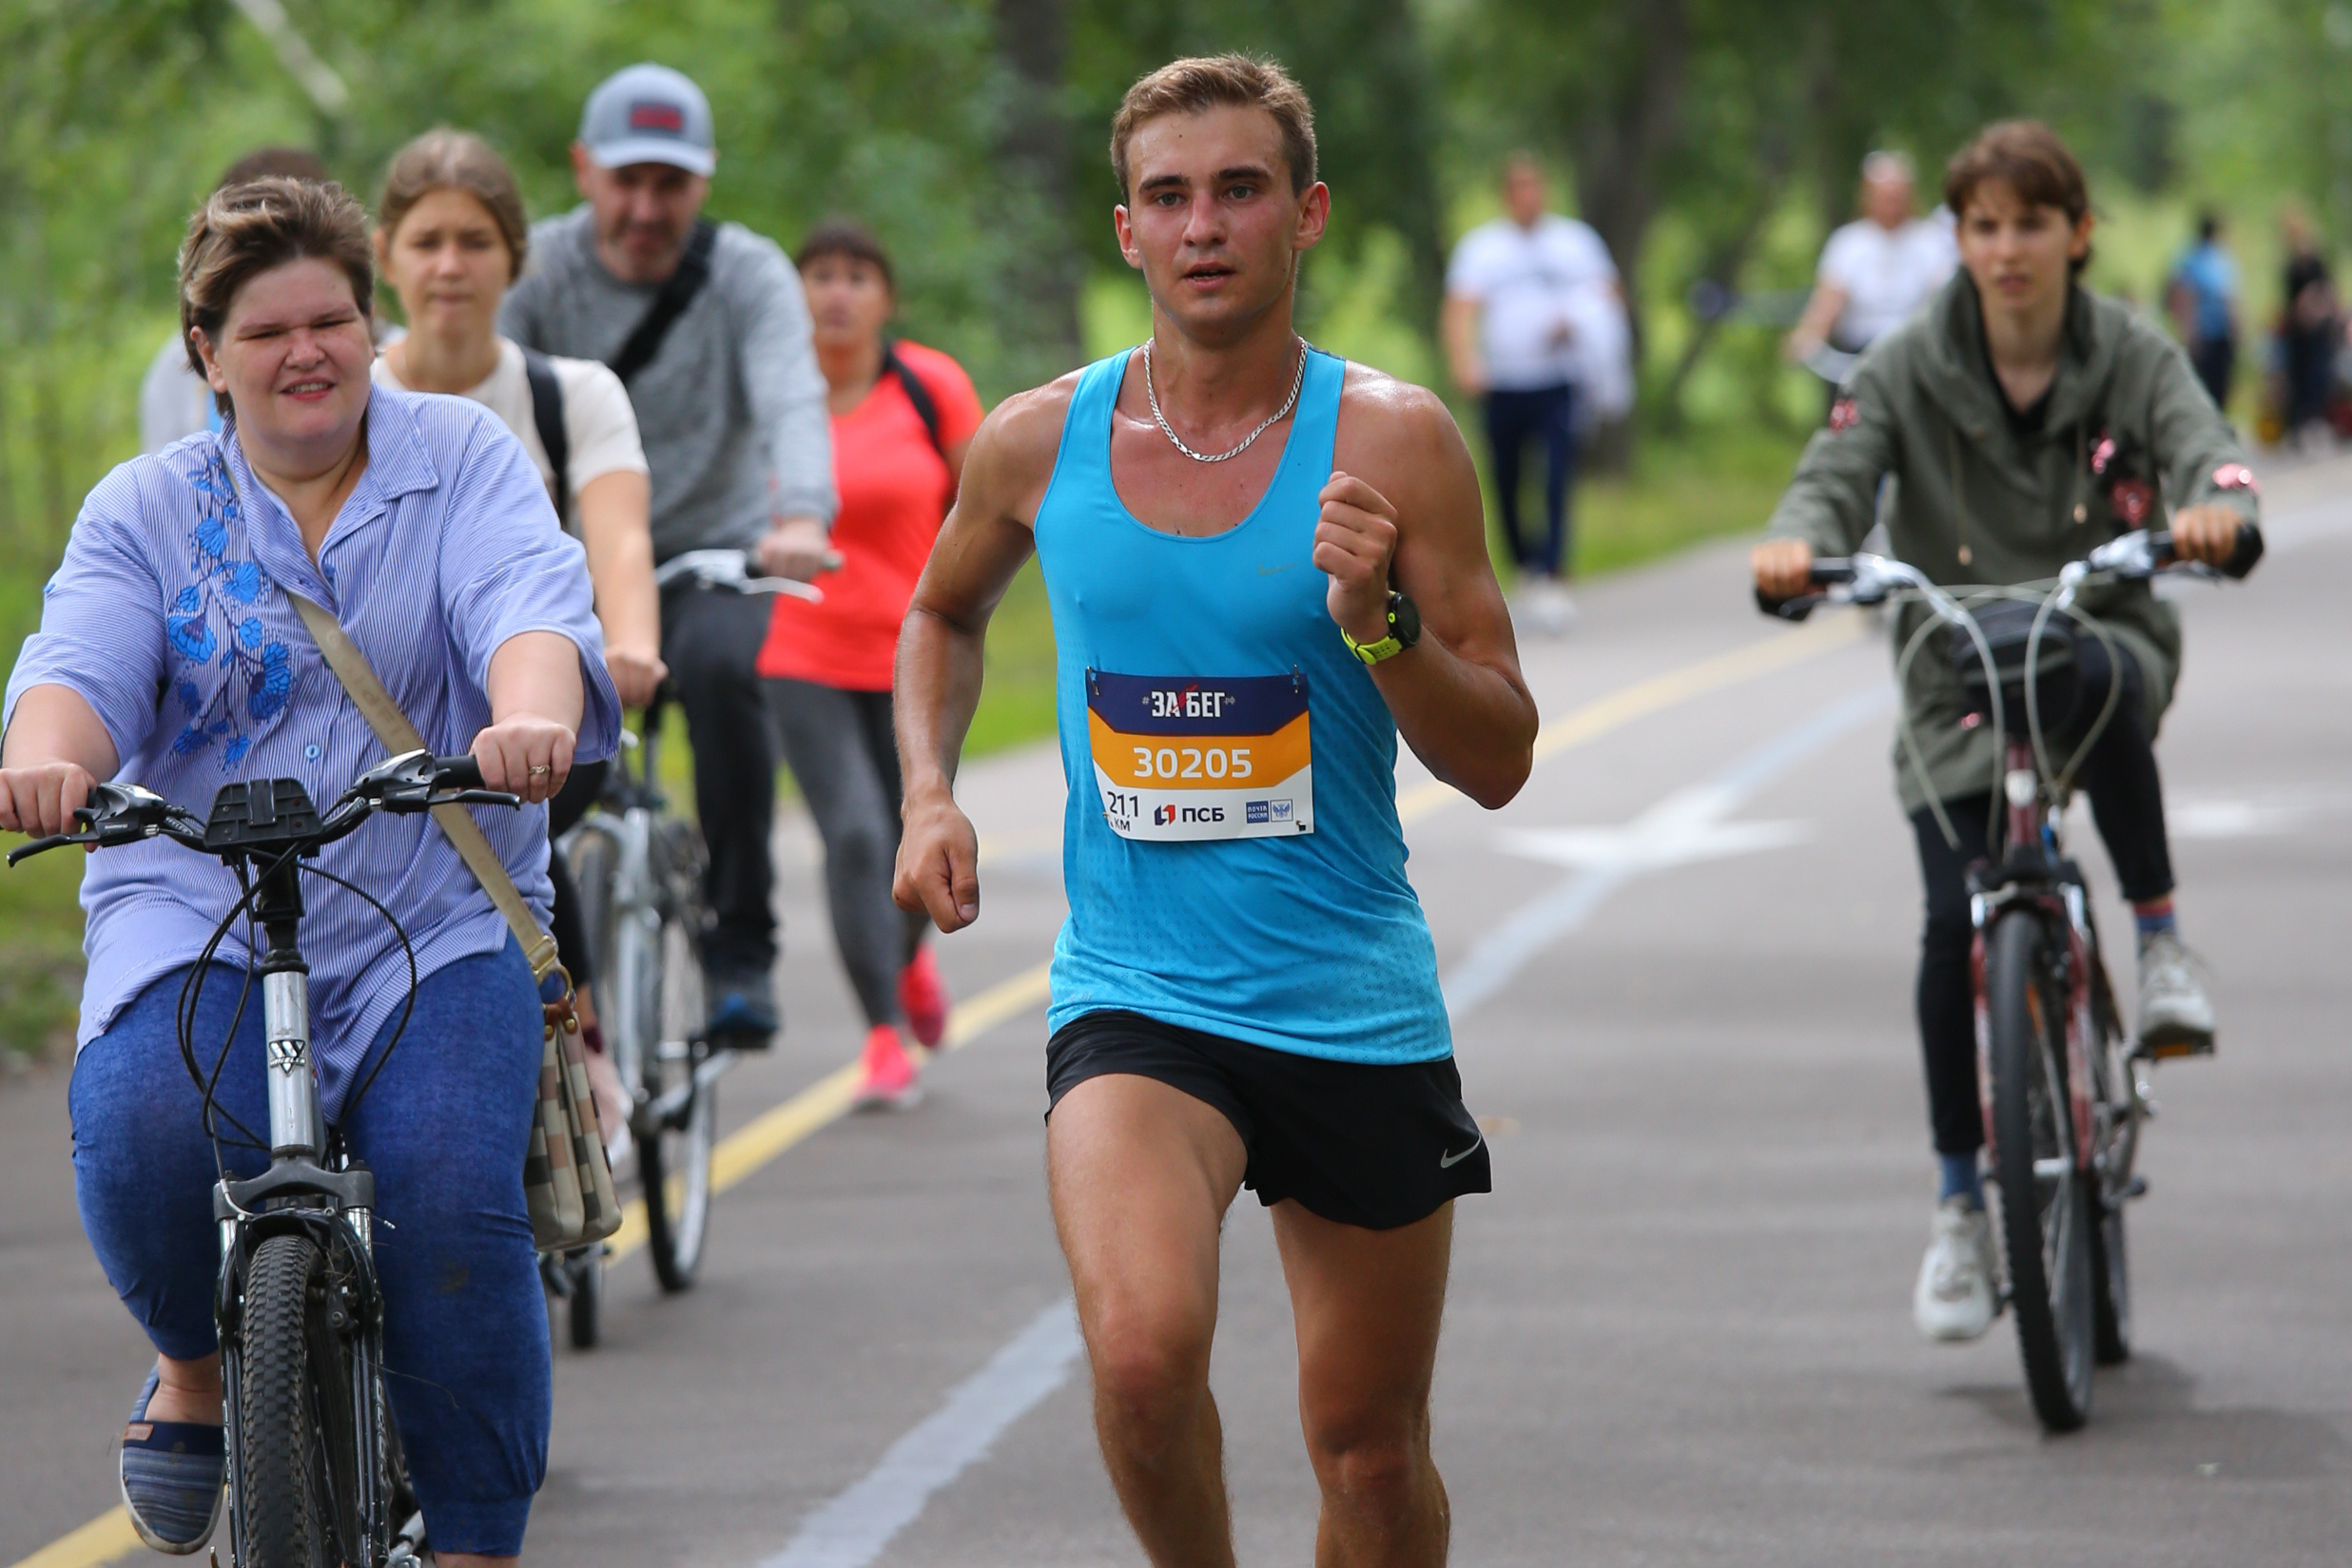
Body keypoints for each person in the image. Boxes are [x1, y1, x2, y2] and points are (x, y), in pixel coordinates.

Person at [894, 55, 1534, 1566]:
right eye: (1168, 197)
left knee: (1369, 1457)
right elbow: (940, 613)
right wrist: (929, 789)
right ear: (1126, 232)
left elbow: (1499, 752)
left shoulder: (1394, 442)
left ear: (1303, 214)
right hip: (1138, 992)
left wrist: (1379, 625)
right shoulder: (1039, 440)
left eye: (1239, 190)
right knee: (1137, 1359)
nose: (1203, 226)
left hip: (1348, 1001)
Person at [3, 178, 618, 1561]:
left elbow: (526, 598)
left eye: (334, 318)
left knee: (450, 1200)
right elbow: (77, 664)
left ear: (372, 323)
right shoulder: (148, 506)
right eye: (267, 329)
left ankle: (472, 1541)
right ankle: (197, 1368)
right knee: (149, 1133)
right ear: (206, 352)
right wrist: (49, 755)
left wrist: (531, 715)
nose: (307, 353)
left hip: (431, 897)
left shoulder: (456, 455)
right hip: (196, 896)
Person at [1754, 122, 2254, 1345]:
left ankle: (2160, 939)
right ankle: (1958, 1209)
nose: (2007, 247)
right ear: (1955, 239)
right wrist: (1793, 541)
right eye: (1982, 225)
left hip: (2096, 632)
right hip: (1953, 665)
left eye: (2031, 223)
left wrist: (2212, 513)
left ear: (2077, 234)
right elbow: (1837, 470)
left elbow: (2208, 451)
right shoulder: (1913, 357)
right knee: (1945, 925)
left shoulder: (2127, 351)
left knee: (2092, 672)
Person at [502, 62, 836, 1042]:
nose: (646, 206)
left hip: (712, 551)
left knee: (730, 672)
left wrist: (804, 515)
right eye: (626, 180)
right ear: (583, 169)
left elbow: (791, 392)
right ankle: (537, 950)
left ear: (705, 179)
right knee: (548, 750)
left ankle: (741, 942)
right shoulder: (538, 269)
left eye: (671, 184)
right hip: (571, 562)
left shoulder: (744, 271)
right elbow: (484, 399)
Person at [371, 126, 664, 1130]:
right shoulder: (341, 397)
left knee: (521, 811)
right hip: (379, 713)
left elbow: (616, 537)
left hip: (533, 706)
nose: (450, 265)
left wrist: (626, 646)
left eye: (475, 241)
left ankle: (578, 1042)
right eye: (427, 241)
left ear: (513, 258)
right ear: (385, 256)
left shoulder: (568, 395)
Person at [756, 221, 981, 1108]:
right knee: (853, 834)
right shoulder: (774, 397)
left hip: (913, 656)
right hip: (800, 648)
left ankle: (911, 961)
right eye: (819, 275)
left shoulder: (931, 387)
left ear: (885, 297)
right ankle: (883, 1030)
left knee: (913, 830)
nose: (836, 293)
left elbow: (984, 504)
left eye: (856, 276)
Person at [1443, 153, 1618, 635]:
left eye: (1534, 186)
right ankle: (1525, 566)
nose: (1528, 197)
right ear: (1507, 195)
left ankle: (1555, 571)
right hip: (1503, 382)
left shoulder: (1575, 244)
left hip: (1558, 379)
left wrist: (1578, 320)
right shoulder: (1484, 250)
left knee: (1557, 473)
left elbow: (1608, 297)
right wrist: (1465, 362)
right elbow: (1460, 309)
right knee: (1506, 478)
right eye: (1518, 188)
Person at [140, 146, 332, 455]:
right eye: (266, 333)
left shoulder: (383, 359)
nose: (305, 354)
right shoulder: (175, 369)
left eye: (329, 322)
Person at [1785, 150, 1959, 375]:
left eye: (1896, 195)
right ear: (1867, 195)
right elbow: (1829, 300)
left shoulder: (1930, 241)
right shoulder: (1848, 243)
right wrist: (1808, 335)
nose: (1891, 203)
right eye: (1884, 195)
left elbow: (1942, 295)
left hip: (1914, 357)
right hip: (1858, 357)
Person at [2279, 206, 2341, 445]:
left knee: (2318, 374)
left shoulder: (2317, 263)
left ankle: (2315, 419)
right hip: (2298, 331)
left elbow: (2327, 291)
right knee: (2297, 375)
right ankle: (2297, 424)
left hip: (2318, 328)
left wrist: (2319, 312)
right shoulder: (2291, 266)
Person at [2167, 211, 2240, 410]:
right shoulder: (2216, 260)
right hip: (2207, 331)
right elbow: (2228, 300)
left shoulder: (2193, 258)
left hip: (2210, 331)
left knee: (2212, 385)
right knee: (2208, 384)